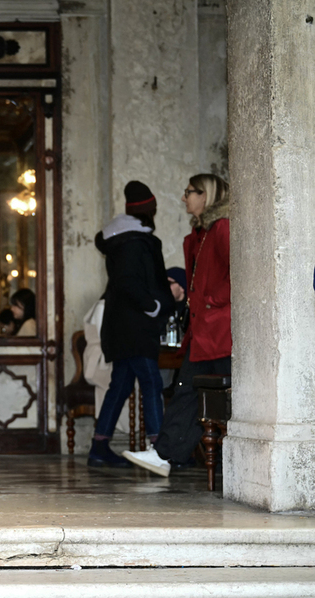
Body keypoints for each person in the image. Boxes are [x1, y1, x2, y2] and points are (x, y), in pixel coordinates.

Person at [124, 174, 231, 476]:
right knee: (190, 392)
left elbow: (240, 272)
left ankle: (167, 455)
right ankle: (167, 455)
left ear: (206, 195)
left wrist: (211, 300)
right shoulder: (199, 235)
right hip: (203, 332)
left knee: (196, 393)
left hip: (219, 332)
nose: (184, 198)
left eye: (189, 192)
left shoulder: (222, 229)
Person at [87, 181, 174, 468]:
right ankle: (158, 449)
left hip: (119, 324)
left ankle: (99, 446)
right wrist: (155, 306)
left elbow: (123, 282)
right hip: (137, 325)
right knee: (150, 381)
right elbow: (131, 282)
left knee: (121, 385)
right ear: (150, 211)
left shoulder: (120, 240)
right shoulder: (137, 241)